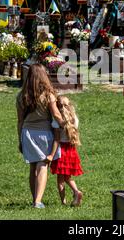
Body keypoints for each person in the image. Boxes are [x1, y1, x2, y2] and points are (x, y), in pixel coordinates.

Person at [16, 64, 65, 209]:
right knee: (43, 165)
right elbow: (56, 114)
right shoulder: (48, 95)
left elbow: (20, 121)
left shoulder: (21, 96)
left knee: (33, 167)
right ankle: (38, 201)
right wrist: (66, 124)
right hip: (45, 134)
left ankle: (35, 199)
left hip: (27, 133)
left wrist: (20, 139)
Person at [49, 96, 84, 206]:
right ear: (70, 106)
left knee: (60, 179)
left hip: (61, 151)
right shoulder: (74, 119)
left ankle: (64, 201)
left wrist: (51, 154)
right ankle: (76, 192)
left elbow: (57, 139)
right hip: (72, 150)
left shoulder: (57, 121)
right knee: (68, 176)